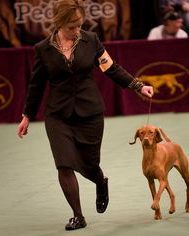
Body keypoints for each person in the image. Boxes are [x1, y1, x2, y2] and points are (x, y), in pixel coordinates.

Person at [17, 0, 153, 231]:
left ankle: (100, 181)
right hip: (58, 115)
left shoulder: (91, 40)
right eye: (72, 26)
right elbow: (36, 85)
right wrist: (27, 115)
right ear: (59, 24)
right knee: (64, 165)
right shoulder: (42, 48)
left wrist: (137, 85)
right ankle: (78, 216)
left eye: (79, 25)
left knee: (89, 165)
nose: (77, 30)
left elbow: (111, 68)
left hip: (90, 112)